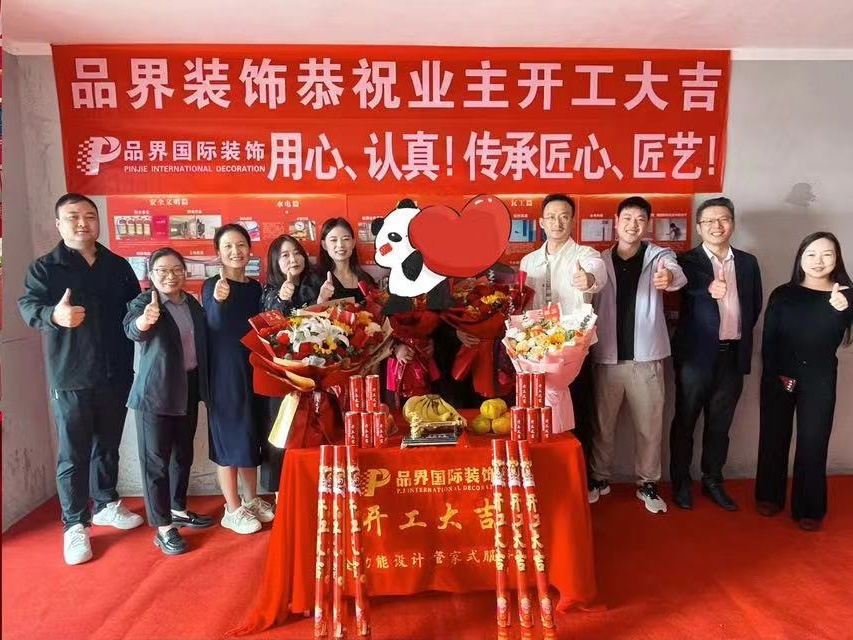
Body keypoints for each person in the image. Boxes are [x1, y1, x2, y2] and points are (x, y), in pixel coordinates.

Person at [17, 193, 144, 565]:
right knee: (73, 453)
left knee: (108, 445)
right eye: (73, 217)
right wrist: (54, 316)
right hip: (71, 375)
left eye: (89, 215)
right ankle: (74, 524)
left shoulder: (117, 265)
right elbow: (28, 306)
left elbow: (134, 307)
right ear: (59, 224)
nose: (82, 223)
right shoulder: (45, 268)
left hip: (115, 372)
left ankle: (105, 503)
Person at [589, 197, 687, 513]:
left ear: (647, 224)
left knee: (649, 426)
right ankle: (599, 478)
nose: (633, 224)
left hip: (646, 359)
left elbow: (677, 275)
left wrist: (669, 278)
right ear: (616, 222)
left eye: (640, 219)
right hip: (607, 356)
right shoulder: (600, 260)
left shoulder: (659, 256)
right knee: (603, 425)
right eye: (627, 218)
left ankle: (647, 483)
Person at [670, 197, 763, 511]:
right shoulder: (686, 261)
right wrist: (709, 289)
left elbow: (754, 306)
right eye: (709, 221)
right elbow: (685, 289)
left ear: (732, 224)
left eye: (723, 219)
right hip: (695, 358)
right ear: (699, 227)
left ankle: (713, 481)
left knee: (720, 425)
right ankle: (681, 483)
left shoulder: (748, 263)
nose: (716, 226)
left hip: (732, 355)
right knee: (685, 421)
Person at [755, 232, 852, 531]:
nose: (818, 261)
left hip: (819, 379)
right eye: (811, 254)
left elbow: (837, 332)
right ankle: (769, 496)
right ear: (800, 258)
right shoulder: (783, 294)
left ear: (837, 259)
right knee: (774, 436)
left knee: (813, 442)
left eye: (827, 254)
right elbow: (769, 340)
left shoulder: (845, 295)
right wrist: (775, 375)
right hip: (781, 375)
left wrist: (843, 308)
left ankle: (809, 508)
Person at [124, 248, 213, 555]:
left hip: (187, 388)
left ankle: (178, 509)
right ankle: (163, 527)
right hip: (155, 393)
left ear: (184, 272)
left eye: (176, 269)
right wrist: (144, 322)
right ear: (151, 274)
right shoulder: (144, 302)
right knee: (156, 462)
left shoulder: (191, 303)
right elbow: (132, 329)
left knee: (182, 455)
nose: (170, 276)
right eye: (162, 270)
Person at [519, 194, 606, 472]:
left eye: (564, 216)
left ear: (573, 221)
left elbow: (597, 275)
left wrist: (587, 279)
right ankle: (542, 472)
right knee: (537, 413)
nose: (557, 223)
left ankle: (580, 477)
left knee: (577, 411)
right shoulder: (528, 261)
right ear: (541, 222)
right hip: (535, 352)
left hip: (572, 352)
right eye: (552, 217)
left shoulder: (585, 255)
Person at [202, 223, 273, 534]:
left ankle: (251, 498)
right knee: (228, 439)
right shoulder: (212, 286)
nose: (235, 251)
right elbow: (214, 323)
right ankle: (231, 509)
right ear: (218, 253)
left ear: (250, 249)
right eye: (228, 246)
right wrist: (219, 300)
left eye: (241, 245)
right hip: (224, 374)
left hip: (253, 370)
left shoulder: (255, 288)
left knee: (249, 436)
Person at [259, 235, 322, 494]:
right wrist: (282, 300)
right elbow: (267, 325)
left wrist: (323, 299)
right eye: (285, 255)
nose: (293, 259)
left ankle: (309, 490)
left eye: (296, 253)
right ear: (275, 261)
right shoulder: (271, 292)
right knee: (282, 432)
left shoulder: (312, 286)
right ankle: (279, 494)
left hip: (313, 376)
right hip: (282, 379)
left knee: (310, 433)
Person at [316, 217, 376, 305]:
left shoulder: (366, 278)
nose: (340, 245)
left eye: (346, 239)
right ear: (324, 245)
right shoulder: (315, 279)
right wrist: (322, 299)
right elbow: (303, 311)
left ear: (353, 243)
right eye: (333, 240)